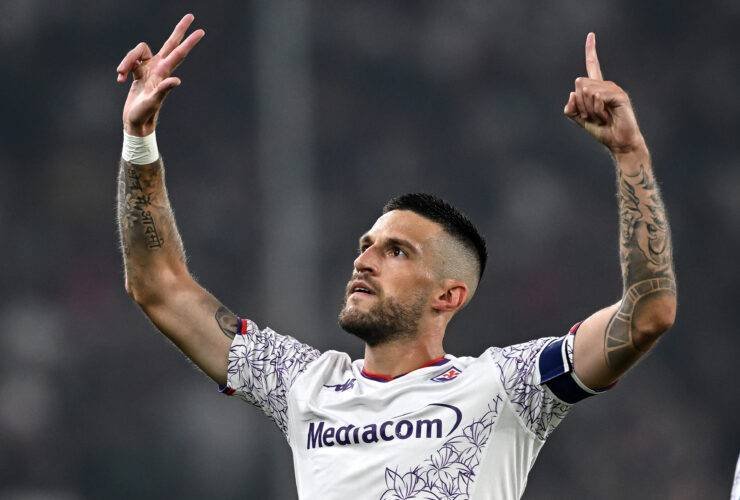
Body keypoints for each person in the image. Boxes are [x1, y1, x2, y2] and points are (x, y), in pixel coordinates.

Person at [115, 14, 677, 500]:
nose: (364, 261)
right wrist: (139, 137)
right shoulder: (305, 385)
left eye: (396, 251)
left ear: (449, 295)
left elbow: (646, 316)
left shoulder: (506, 387)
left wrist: (630, 155)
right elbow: (159, 288)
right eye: (365, 246)